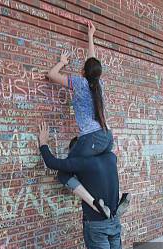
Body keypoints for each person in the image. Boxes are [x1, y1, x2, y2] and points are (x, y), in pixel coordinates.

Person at [37, 122, 137, 249]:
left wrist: (43, 143)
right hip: (113, 220)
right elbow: (64, 172)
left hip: (96, 224)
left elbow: (53, 163)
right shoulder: (110, 158)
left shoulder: (82, 162)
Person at [46, 21, 129, 218]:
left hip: (91, 139)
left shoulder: (80, 83)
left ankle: (94, 203)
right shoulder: (99, 85)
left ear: (84, 72)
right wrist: (90, 36)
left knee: (64, 172)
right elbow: (92, 62)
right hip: (107, 137)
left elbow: (51, 75)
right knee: (103, 168)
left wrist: (62, 62)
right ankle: (114, 206)